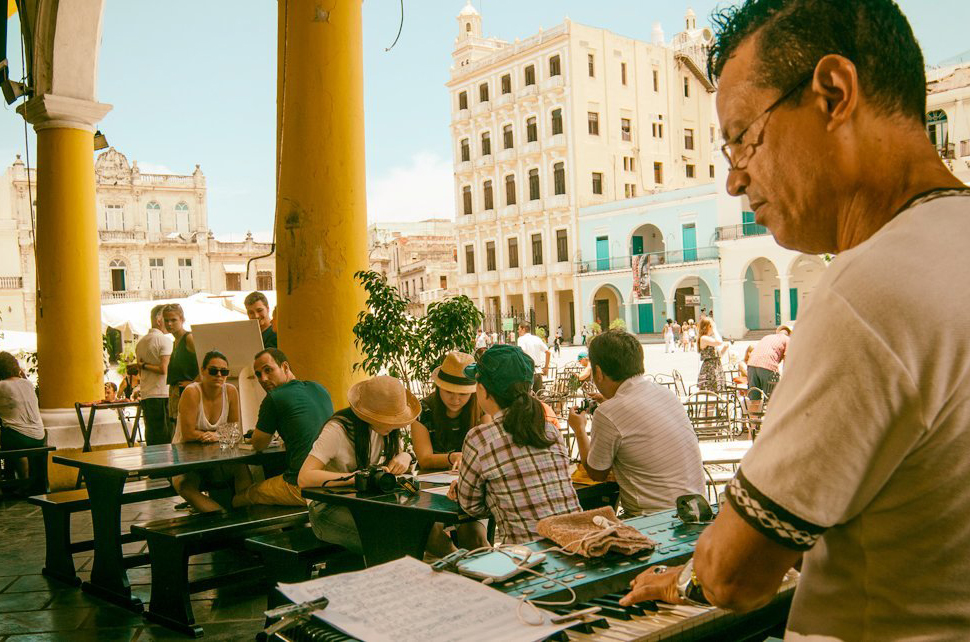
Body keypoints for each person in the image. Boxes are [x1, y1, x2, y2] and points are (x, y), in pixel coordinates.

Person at [620, 2, 970, 638]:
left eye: (743, 137)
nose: (732, 180)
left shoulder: (869, 291)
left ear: (834, 94)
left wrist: (686, 578)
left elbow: (735, 572)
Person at [448, 345, 580, 544]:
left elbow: (470, 507)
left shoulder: (480, 439)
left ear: (482, 390)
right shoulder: (550, 430)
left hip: (530, 558)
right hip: (579, 543)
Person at [568, 331, 704, 516]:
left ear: (598, 372)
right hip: (696, 510)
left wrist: (579, 429)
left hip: (654, 519)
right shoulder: (664, 393)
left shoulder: (609, 413)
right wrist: (611, 401)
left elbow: (596, 472)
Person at [299, 376, 417, 553]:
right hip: (327, 508)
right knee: (388, 540)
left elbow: (401, 461)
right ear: (368, 414)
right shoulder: (338, 430)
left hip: (367, 504)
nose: (393, 425)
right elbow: (305, 477)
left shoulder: (387, 431)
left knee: (419, 527)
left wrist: (406, 456)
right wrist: (355, 479)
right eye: (387, 420)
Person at [233, 348, 334, 507]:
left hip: (301, 484)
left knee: (242, 497)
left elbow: (259, 444)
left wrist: (253, 437)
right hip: (332, 480)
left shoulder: (274, 398)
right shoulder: (319, 388)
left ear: (285, 367)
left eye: (268, 370)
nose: (263, 379)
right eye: (258, 374)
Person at [411, 352, 488, 555]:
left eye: (462, 394)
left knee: (475, 536)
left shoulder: (481, 408)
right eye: (448, 392)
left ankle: (494, 575)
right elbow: (424, 458)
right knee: (430, 532)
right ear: (439, 388)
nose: (455, 399)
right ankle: (459, 567)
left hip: (467, 486)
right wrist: (452, 457)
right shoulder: (424, 409)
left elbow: (488, 450)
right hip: (429, 487)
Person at [171, 351, 251, 513]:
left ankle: (247, 514)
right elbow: (188, 434)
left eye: (224, 372)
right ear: (203, 371)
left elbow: (234, 431)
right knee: (186, 485)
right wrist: (222, 435)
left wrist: (216, 435)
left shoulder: (230, 391)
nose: (219, 375)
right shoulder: (192, 392)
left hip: (217, 458)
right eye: (213, 371)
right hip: (186, 458)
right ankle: (223, 519)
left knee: (241, 467)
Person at [0, 351, 45, 483]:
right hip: (39, 436)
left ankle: (21, 481)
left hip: (19, 439)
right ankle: (18, 482)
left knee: (8, 434)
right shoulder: (28, 384)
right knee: (9, 431)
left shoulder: (2, 386)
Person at [137, 305, 174, 445]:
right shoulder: (164, 341)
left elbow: (140, 371)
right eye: (166, 319)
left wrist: (143, 366)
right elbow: (164, 369)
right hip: (161, 393)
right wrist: (145, 366)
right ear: (159, 320)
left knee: (152, 436)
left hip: (147, 393)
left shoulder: (141, 342)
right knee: (165, 437)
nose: (169, 324)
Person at [163, 303, 199, 432]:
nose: (169, 324)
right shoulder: (175, 342)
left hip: (187, 392)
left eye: (173, 320)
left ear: (182, 320)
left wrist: (193, 383)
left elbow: (206, 363)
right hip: (176, 391)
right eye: (166, 320)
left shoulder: (189, 338)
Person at [746, 325, 791, 397]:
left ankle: (753, 407)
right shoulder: (787, 339)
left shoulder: (767, 337)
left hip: (752, 364)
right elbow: (787, 359)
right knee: (773, 398)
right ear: (789, 334)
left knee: (754, 399)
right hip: (768, 366)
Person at [696, 318, 730, 394]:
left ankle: (713, 406)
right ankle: (711, 406)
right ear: (708, 326)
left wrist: (724, 349)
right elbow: (719, 342)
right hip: (710, 368)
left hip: (716, 366)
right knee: (712, 394)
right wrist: (715, 330)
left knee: (716, 394)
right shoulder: (704, 338)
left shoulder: (709, 339)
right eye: (711, 325)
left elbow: (718, 356)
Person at [516, 322, 551, 392]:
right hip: (538, 371)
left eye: (519, 329)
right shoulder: (536, 339)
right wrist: (546, 367)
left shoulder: (521, 339)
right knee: (538, 396)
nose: (518, 331)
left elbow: (521, 351)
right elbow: (548, 352)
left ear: (523, 329)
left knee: (527, 395)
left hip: (527, 371)